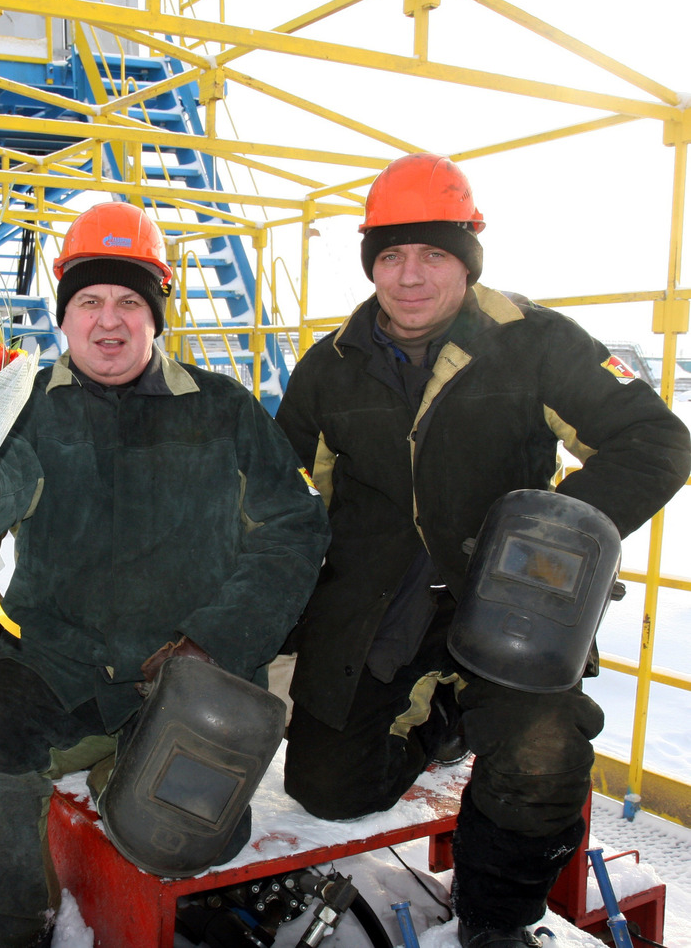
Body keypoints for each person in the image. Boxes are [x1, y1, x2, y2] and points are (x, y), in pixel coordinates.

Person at [0, 200, 330, 948]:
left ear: (158, 314)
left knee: (181, 837)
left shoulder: (222, 410)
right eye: (89, 301)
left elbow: (294, 529)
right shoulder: (25, 411)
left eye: (129, 302)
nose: (109, 321)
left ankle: (130, 776)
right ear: (66, 315)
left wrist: (214, 642)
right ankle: (18, 926)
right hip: (60, 662)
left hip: (191, 676)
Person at [274, 153, 691, 948]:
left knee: (540, 757)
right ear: (370, 263)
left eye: (432, 254)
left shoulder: (534, 342)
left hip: (513, 605)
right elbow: (275, 491)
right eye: (390, 256)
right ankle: (446, 717)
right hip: (379, 608)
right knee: (327, 788)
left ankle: (495, 916)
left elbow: (657, 440)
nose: (409, 277)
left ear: (466, 256)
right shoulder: (328, 368)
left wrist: (550, 531)